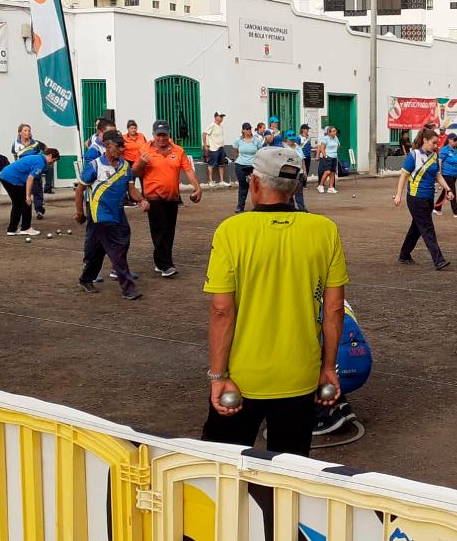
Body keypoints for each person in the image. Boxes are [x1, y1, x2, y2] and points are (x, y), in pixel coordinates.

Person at [201, 147, 347, 456]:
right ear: (295, 187)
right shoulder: (324, 231)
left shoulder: (231, 231)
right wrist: (329, 367)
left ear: (254, 183)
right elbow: (334, 308)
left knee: (220, 472)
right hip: (300, 375)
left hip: (242, 378)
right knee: (289, 476)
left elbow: (221, 310)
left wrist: (218, 376)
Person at [75, 130, 145, 300]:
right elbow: (80, 190)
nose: (122, 149)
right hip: (101, 216)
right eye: (118, 145)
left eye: (123, 145)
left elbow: (131, 189)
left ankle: (86, 279)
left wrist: (142, 200)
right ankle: (128, 288)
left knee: (102, 249)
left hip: (119, 214)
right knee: (116, 250)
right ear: (107, 145)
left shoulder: (125, 167)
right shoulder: (95, 166)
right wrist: (80, 213)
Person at [134, 120, 202, 278]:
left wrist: (197, 187)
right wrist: (142, 164)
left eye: (164, 134)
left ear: (169, 134)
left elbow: (188, 170)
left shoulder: (178, 150)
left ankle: (160, 262)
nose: (161, 138)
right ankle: (166, 265)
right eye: (158, 135)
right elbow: (135, 173)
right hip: (153, 197)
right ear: (153, 135)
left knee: (169, 231)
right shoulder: (144, 150)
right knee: (160, 230)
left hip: (172, 197)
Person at [394, 128, 454, 270]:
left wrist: (448, 189)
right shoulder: (413, 156)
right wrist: (398, 195)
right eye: (433, 143)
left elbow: (438, 175)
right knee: (427, 228)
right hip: (415, 198)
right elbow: (403, 176)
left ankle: (404, 255)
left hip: (428, 198)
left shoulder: (434, 156)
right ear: (425, 141)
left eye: (437, 143)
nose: (436, 146)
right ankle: (438, 260)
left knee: (417, 227)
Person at [0, 147, 60, 236]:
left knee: (18, 204)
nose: (52, 163)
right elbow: (30, 179)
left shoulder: (38, 158)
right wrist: (28, 196)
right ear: (49, 155)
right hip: (12, 179)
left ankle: (12, 229)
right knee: (25, 203)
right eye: (53, 160)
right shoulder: (40, 163)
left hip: (6, 176)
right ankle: (25, 228)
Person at [12, 124, 51, 219]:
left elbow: (46, 149)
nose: (27, 132)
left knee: (37, 190)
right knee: (23, 191)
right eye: (25, 131)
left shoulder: (36, 144)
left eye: (29, 130)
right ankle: (24, 210)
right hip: (23, 171)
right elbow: (15, 156)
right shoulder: (16, 144)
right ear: (20, 132)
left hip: (34, 169)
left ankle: (39, 210)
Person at [233, 122, 264, 213]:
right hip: (240, 165)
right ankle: (240, 206)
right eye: (246, 129)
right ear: (243, 130)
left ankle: (258, 206)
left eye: (250, 129)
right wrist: (239, 158)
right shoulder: (238, 140)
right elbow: (235, 151)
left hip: (252, 166)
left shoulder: (256, 140)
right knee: (243, 186)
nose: (248, 131)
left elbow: (260, 151)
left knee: (255, 186)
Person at [434, 132, 457, 218]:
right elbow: (439, 160)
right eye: (455, 140)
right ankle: (456, 211)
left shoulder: (455, 150)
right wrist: (439, 172)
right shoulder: (445, 149)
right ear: (449, 140)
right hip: (447, 174)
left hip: (454, 175)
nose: (456, 141)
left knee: (446, 191)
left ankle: (436, 208)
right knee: (452, 191)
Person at [202, 112, 229, 188]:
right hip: (213, 148)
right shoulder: (212, 125)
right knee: (211, 165)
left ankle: (221, 181)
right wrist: (205, 145)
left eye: (222, 117)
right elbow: (204, 133)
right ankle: (210, 181)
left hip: (221, 148)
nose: (222, 118)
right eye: (220, 116)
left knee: (221, 165)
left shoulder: (221, 126)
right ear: (216, 117)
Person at [318, 126, 341, 194]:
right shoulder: (325, 139)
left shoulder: (336, 138)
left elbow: (338, 145)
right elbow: (322, 148)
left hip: (334, 157)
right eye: (333, 131)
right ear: (329, 132)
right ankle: (320, 185)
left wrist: (335, 152)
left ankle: (331, 188)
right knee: (327, 172)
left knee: (332, 173)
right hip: (328, 157)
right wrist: (325, 156)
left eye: (335, 131)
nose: (335, 132)